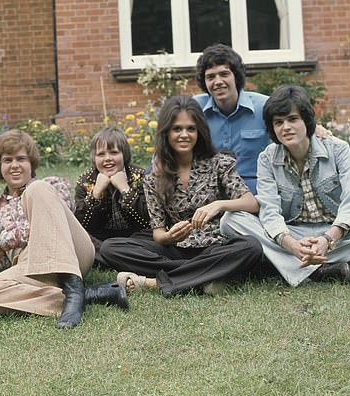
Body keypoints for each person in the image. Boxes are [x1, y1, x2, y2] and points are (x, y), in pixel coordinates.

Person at [220, 85, 350, 286]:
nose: (286, 127)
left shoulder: (338, 149)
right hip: (292, 232)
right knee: (231, 220)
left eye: (292, 119)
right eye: (278, 122)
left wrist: (328, 239)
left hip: (333, 231)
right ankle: (316, 270)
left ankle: (289, 265)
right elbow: (269, 209)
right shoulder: (267, 158)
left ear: (306, 121)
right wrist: (291, 244)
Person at [99, 96, 264, 297]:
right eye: (177, 129)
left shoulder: (219, 163)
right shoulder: (154, 177)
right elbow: (158, 233)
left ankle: (154, 282)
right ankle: (207, 275)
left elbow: (251, 203)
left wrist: (219, 205)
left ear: (199, 131)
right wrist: (169, 236)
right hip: (178, 248)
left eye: (190, 129)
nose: (184, 135)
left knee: (251, 247)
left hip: (216, 246)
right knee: (111, 248)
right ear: (166, 132)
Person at [0, 129, 128, 329]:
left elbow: (50, 223)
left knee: (34, 190)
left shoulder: (51, 184)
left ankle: (74, 285)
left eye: (21, 159)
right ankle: (89, 295)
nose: (14, 165)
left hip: (70, 252)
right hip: (31, 265)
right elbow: (7, 259)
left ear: (31, 163)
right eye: (7, 160)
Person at [193, 43, 270, 194]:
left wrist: (316, 129)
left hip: (255, 190)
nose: (218, 81)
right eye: (210, 77)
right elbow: (170, 138)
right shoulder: (194, 108)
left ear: (236, 76)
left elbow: (294, 124)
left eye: (224, 74)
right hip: (210, 191)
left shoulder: (264, 107)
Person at [74, 127, 151, 267]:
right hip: (100, 239)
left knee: (153, 237)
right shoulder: (85, 181)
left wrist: (125, 189)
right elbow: (81, 225)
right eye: (101, 154)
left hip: (134, 237)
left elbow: (147, 220)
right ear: (94, 158)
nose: (108, 159)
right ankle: (121, 258)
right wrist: (96, 193)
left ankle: (109, 259)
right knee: (78, 239)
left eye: (114, 152)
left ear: (124, 154)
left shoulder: (140, 176)